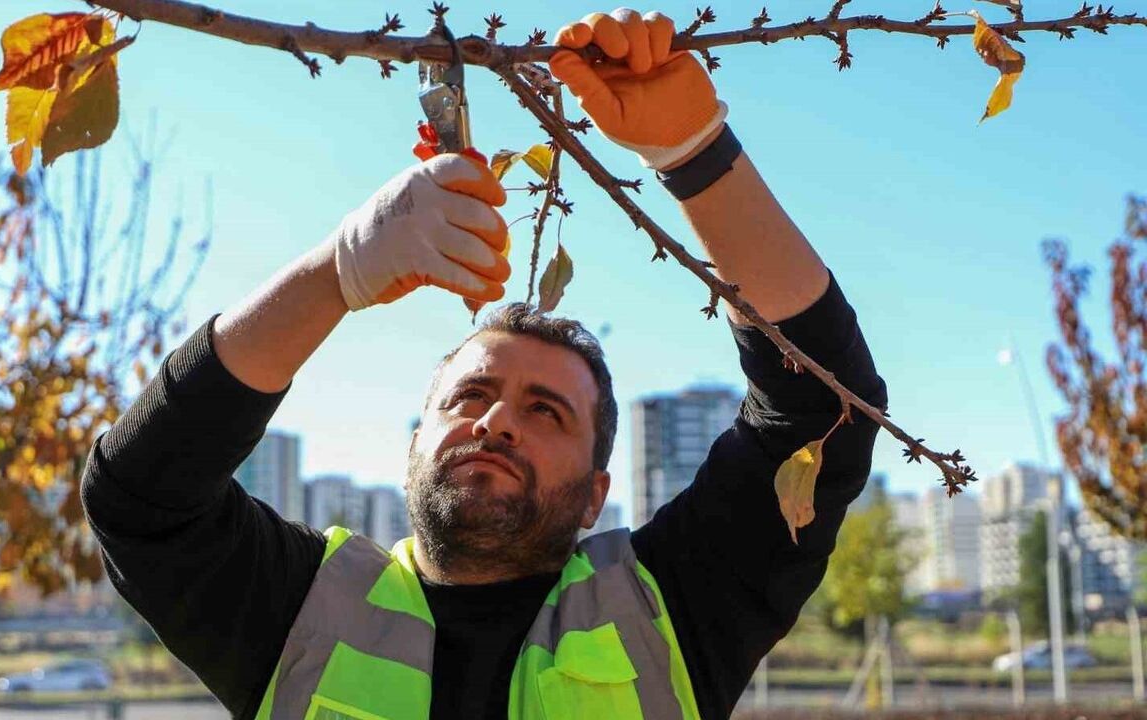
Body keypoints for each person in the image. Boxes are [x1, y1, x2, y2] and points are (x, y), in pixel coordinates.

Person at [81, 8, 888, 720]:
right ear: (413, 448)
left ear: (595, 495)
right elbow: (141, 495)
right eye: (469, 395)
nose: (497, 419)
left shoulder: (673, 610)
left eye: (546, 411)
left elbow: (826, 404)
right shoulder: (300, 610)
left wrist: (696, 150)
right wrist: (337, 270)